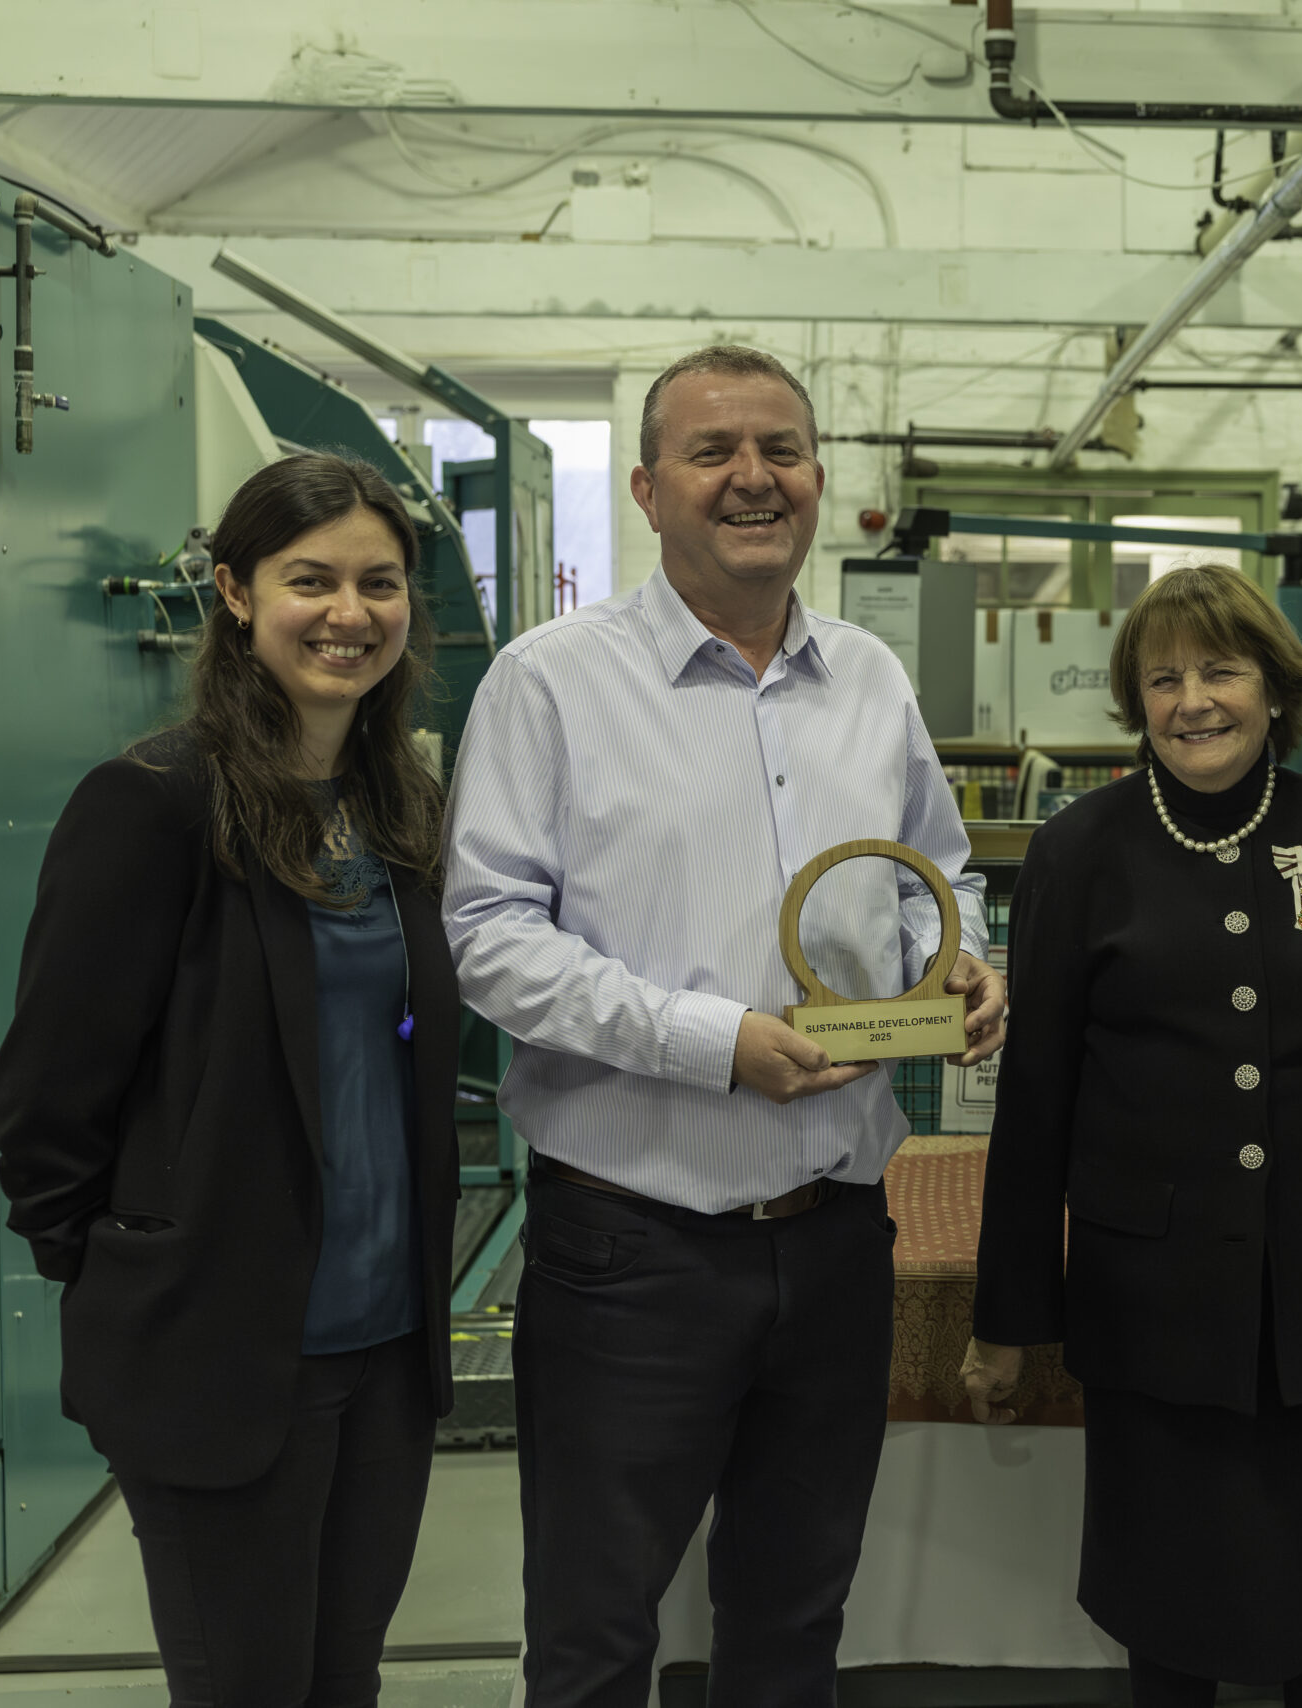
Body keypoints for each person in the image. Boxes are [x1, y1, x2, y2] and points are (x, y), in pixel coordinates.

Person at [442, 344, 1005, 1704]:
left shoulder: (868, 677)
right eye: (714, 453)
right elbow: (491, 940)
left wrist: (967, 959)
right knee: (595, 1635)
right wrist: (714, 1041)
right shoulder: (550, 682)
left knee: (793, 1619)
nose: (754, 478)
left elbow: (943, 873)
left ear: (818, 478)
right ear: (646, 487)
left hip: (835, 1242)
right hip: (632, 1247)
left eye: (783, 450)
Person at [961, 561, 1302, 1708]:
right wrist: (1008, 1318)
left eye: (1220, 670)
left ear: (1275, 685)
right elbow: (1036, 1100)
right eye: (1163, 677)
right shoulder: (1078, 850)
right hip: (1151, 1300)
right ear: (1134, 698)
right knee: (1168, 1607)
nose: (1193, 700)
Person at [0, 452, 460, 1704]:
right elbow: (48, 1096)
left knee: (342, 1679)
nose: (348, 613)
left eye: (378, 582)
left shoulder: (396, 805)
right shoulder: (152, 804)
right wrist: (130, 1272)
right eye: (310, 580)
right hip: (225, 1355)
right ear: (237, 593)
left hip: (386, 1353)